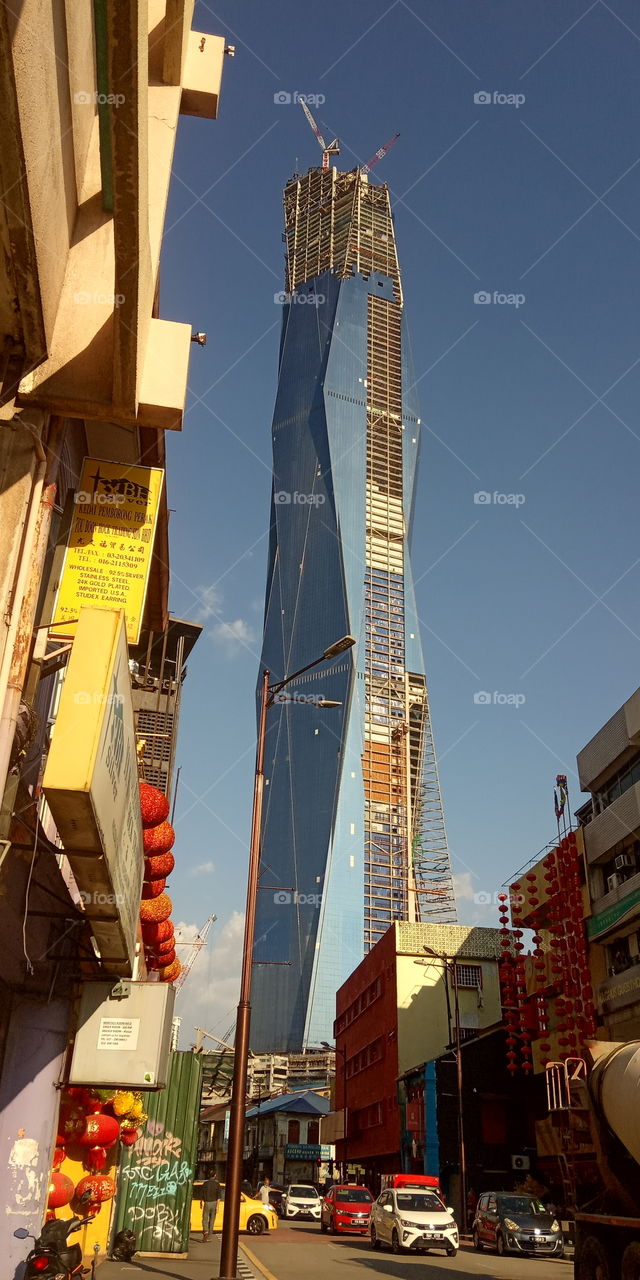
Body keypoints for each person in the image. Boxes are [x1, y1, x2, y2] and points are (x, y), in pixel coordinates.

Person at [199, 1172, 220, 1242]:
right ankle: (209, 1236)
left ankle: (205, 1231)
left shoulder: (205, 1184)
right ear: (215, 1175)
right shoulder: (217, 1184)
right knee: (212, 1220)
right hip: (214, 1202)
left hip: (207, 1202)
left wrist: (201, 1202)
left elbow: (202, 1194)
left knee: (205, 1218)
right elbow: (218, 1196)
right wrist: (217, 1206)